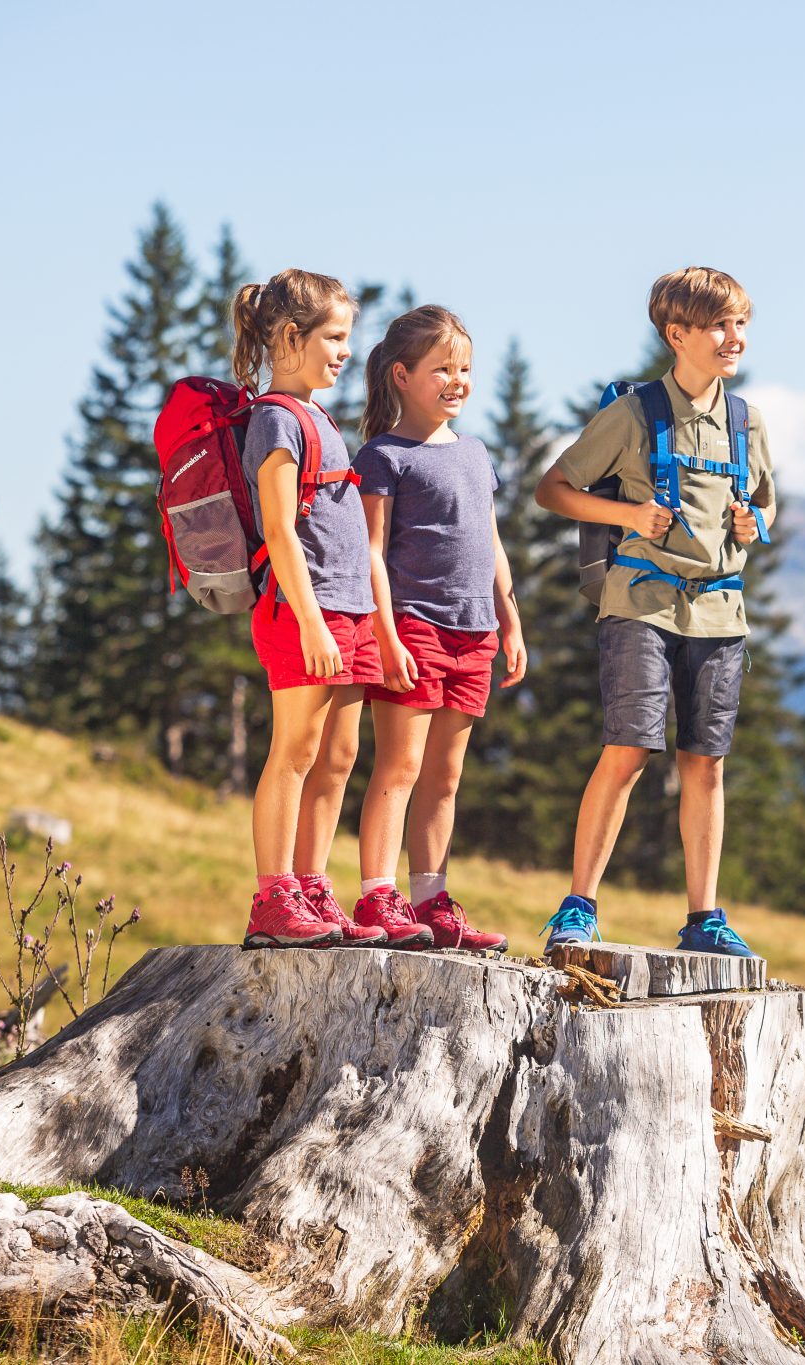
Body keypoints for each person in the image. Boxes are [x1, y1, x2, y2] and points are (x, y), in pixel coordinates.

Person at [531, 267, 776, 958]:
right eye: (721, 326)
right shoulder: (634, 414)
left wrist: (755, 521)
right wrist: (627, 513)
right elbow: (554, 487)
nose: (737, 338)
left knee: (707, 762)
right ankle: (578, 906)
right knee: (630, 748)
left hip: (720, 613)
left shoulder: (746, 421)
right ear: (678, 334)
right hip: (640, 603)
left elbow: (765, 499)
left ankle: (704, 919)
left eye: (741, 325)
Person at [232, 269, 425, 952]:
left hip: (348, 610)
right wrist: (311, 621)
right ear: (291, 337)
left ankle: (312, 885)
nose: (345, 350)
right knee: (296, 750)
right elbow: (281, 529)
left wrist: (373, 621)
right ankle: (273, 895)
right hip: (302, 609)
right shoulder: (277, 418)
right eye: (334, 337)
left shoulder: (319, 415)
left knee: (340, 755)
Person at [352, 306, 524, 954]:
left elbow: (491, 542)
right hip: (413, 628)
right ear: (402, 375)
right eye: (442, 369)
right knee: (398, 766)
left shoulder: (476, 455)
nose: (457, 380)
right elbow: (371, 551)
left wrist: (509, 615)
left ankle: (432, 897)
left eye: (465, 369)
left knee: (444, 778)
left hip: (473, 633)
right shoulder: (384, 456)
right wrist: (386, 635)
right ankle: (378, 892)